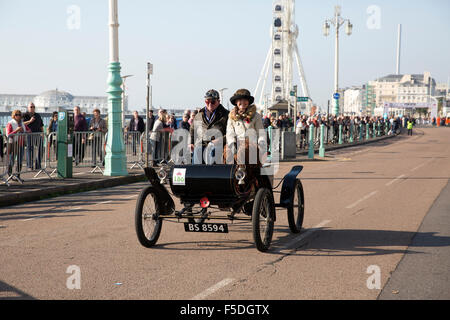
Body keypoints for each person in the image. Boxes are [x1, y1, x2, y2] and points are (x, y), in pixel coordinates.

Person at [225, 89, 265, 167]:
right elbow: (230, 133)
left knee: (246, 152)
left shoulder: (256, 116)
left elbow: (261, 133)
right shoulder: (231, 117)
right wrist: (233, 146)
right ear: (236, 102)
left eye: (245, 100)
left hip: (252, 145)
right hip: (236, 145)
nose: (242, 102)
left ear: (249, 102)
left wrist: (261, 146)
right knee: (227, 152)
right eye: (240, 100)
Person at [189, 89, 229, 164]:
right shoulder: (199, 115)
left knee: (213, 151)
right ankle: (196, 174)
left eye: (213, 102)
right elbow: (192, 129)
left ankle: (212, 174)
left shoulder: (226, 115)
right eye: (207, 101)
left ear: (218, 101)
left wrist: (220, 140)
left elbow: (231, 133)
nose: (210, 104)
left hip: (218, 145)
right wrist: (190, 142)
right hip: (201, 144)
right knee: (197, 150)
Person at [6, 110, 31, 180]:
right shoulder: (10, 123)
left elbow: (29, 130)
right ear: (14, 115)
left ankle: (18, 175)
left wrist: (25, 131)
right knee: (12, 159)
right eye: (17, 114)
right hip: (13, 143)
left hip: (21, 143)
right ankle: (10, 174)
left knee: (20, 160)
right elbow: (8, 134)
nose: (19, 116)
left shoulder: (22, 123)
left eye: (20, 114)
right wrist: (16, 130)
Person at [22, 102, 44, 169]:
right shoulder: (25, 115)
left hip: (38, 135)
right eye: (31, 107)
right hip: (29, 135)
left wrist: (43, 134)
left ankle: (38, 165)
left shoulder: (37, 115)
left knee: (40, 149)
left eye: (33, 107)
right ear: (28, 108)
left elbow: (41, 125)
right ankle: (30, 165)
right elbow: (22, 124)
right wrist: (30, 121)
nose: (32, 108)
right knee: (30, 150)